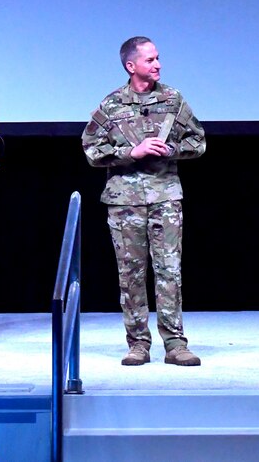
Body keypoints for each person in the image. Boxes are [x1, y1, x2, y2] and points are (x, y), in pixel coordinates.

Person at [81, 36, 207, 367]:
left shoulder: (172, 100)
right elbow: (91, 149)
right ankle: (138, 343)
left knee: (169, 270)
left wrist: (174, 150)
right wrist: (129, 153)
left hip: (165, 196)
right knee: (131, 273)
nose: (158, 65)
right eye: (150, 60)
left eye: (158, 58)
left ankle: (175, 343)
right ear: (131, 66)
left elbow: (199, 140)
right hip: (125, 202)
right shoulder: (111, 105)